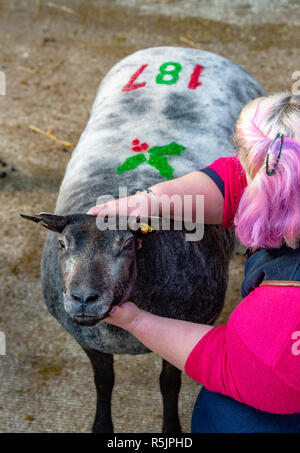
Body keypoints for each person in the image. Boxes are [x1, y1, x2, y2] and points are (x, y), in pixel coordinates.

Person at [87, 93, 300, 433]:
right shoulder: (280, 176)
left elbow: (232, 364)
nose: (237, 162)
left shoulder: (283, 328)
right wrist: (149, 201)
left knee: (224, 417)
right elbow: (235, 181)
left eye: (243, 155)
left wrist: (138, 321)